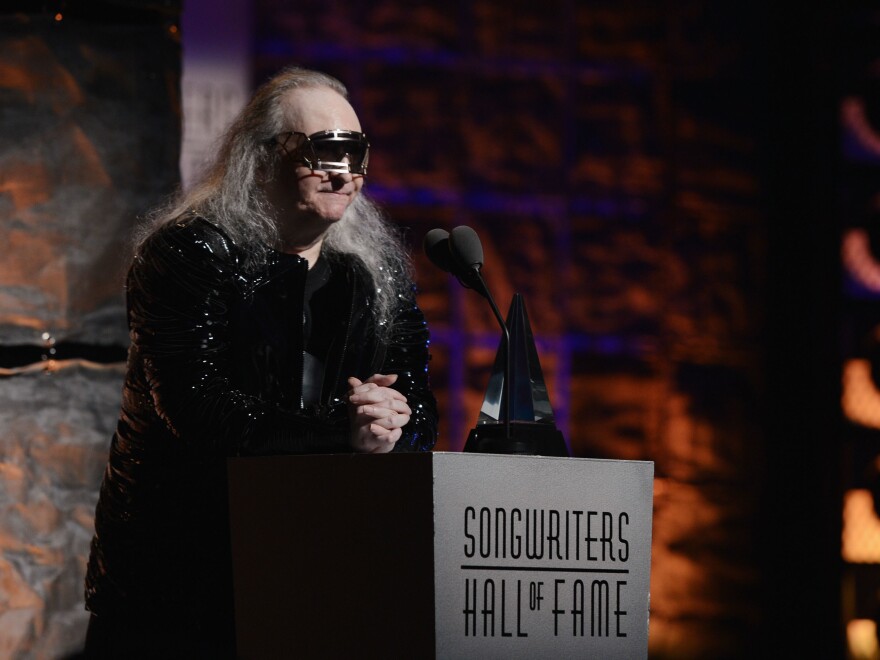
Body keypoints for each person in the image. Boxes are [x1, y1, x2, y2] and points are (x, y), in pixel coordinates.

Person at [83, 66, 438, 657]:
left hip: (317, 575)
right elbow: (199, 410)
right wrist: (344, 432)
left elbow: (419, 404)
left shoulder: (375, 272)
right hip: (179, 581)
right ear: (261, 155)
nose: (346, 172)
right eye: (326, 150)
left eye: (358, 153)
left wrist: (392, 423)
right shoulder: (190, 252)